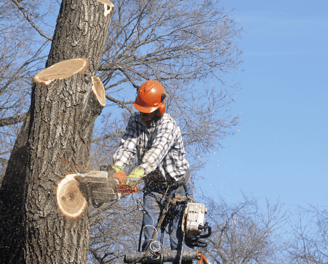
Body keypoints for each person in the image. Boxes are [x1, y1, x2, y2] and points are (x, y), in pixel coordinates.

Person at [111, 79, 192, 262]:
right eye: (141, 111)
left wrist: (136, 175)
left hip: (177, 187)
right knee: (150, 242)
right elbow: (127, 147)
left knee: (177, 242)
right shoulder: (135, 121)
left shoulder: (168, 125)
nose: (142, 116)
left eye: (146, 113)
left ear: (159, 108)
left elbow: (155, 154)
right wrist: (117, 169)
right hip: (153, 187)